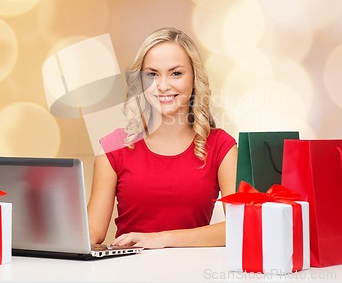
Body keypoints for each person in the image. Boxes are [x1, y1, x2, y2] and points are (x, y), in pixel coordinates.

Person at [87, 27, 237, 249]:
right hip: (128, 273)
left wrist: (161, 239)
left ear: (194, 79)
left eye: (176, 73)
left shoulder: (221, 146)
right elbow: (91, 234)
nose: (163, 86)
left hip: (193, 272)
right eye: (152, 74)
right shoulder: (113, 148)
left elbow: (240, 227)